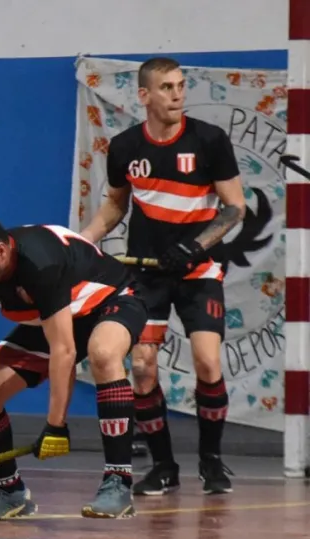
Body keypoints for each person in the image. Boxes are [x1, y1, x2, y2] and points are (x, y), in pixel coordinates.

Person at [79, 57, 246, 496]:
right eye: (167, 87)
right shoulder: (125, 147)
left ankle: (211, 460)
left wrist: (195, 247)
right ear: (144, 95)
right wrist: (82, 241)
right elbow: (116, 205)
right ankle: (163, 466)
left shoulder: (209, 140)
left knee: (207, 362)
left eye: (181, 86)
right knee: (142, 367)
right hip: (145, 272)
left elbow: (234, 208)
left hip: (199, 269)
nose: (177, 94)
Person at [0, 213, 147, 519]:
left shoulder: (40, 262)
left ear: (1, 251)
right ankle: (8, 489)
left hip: (111, 300)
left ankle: (118, 481)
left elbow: (63, 350)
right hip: (57, 318)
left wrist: (56, 425)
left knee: (103, 354)